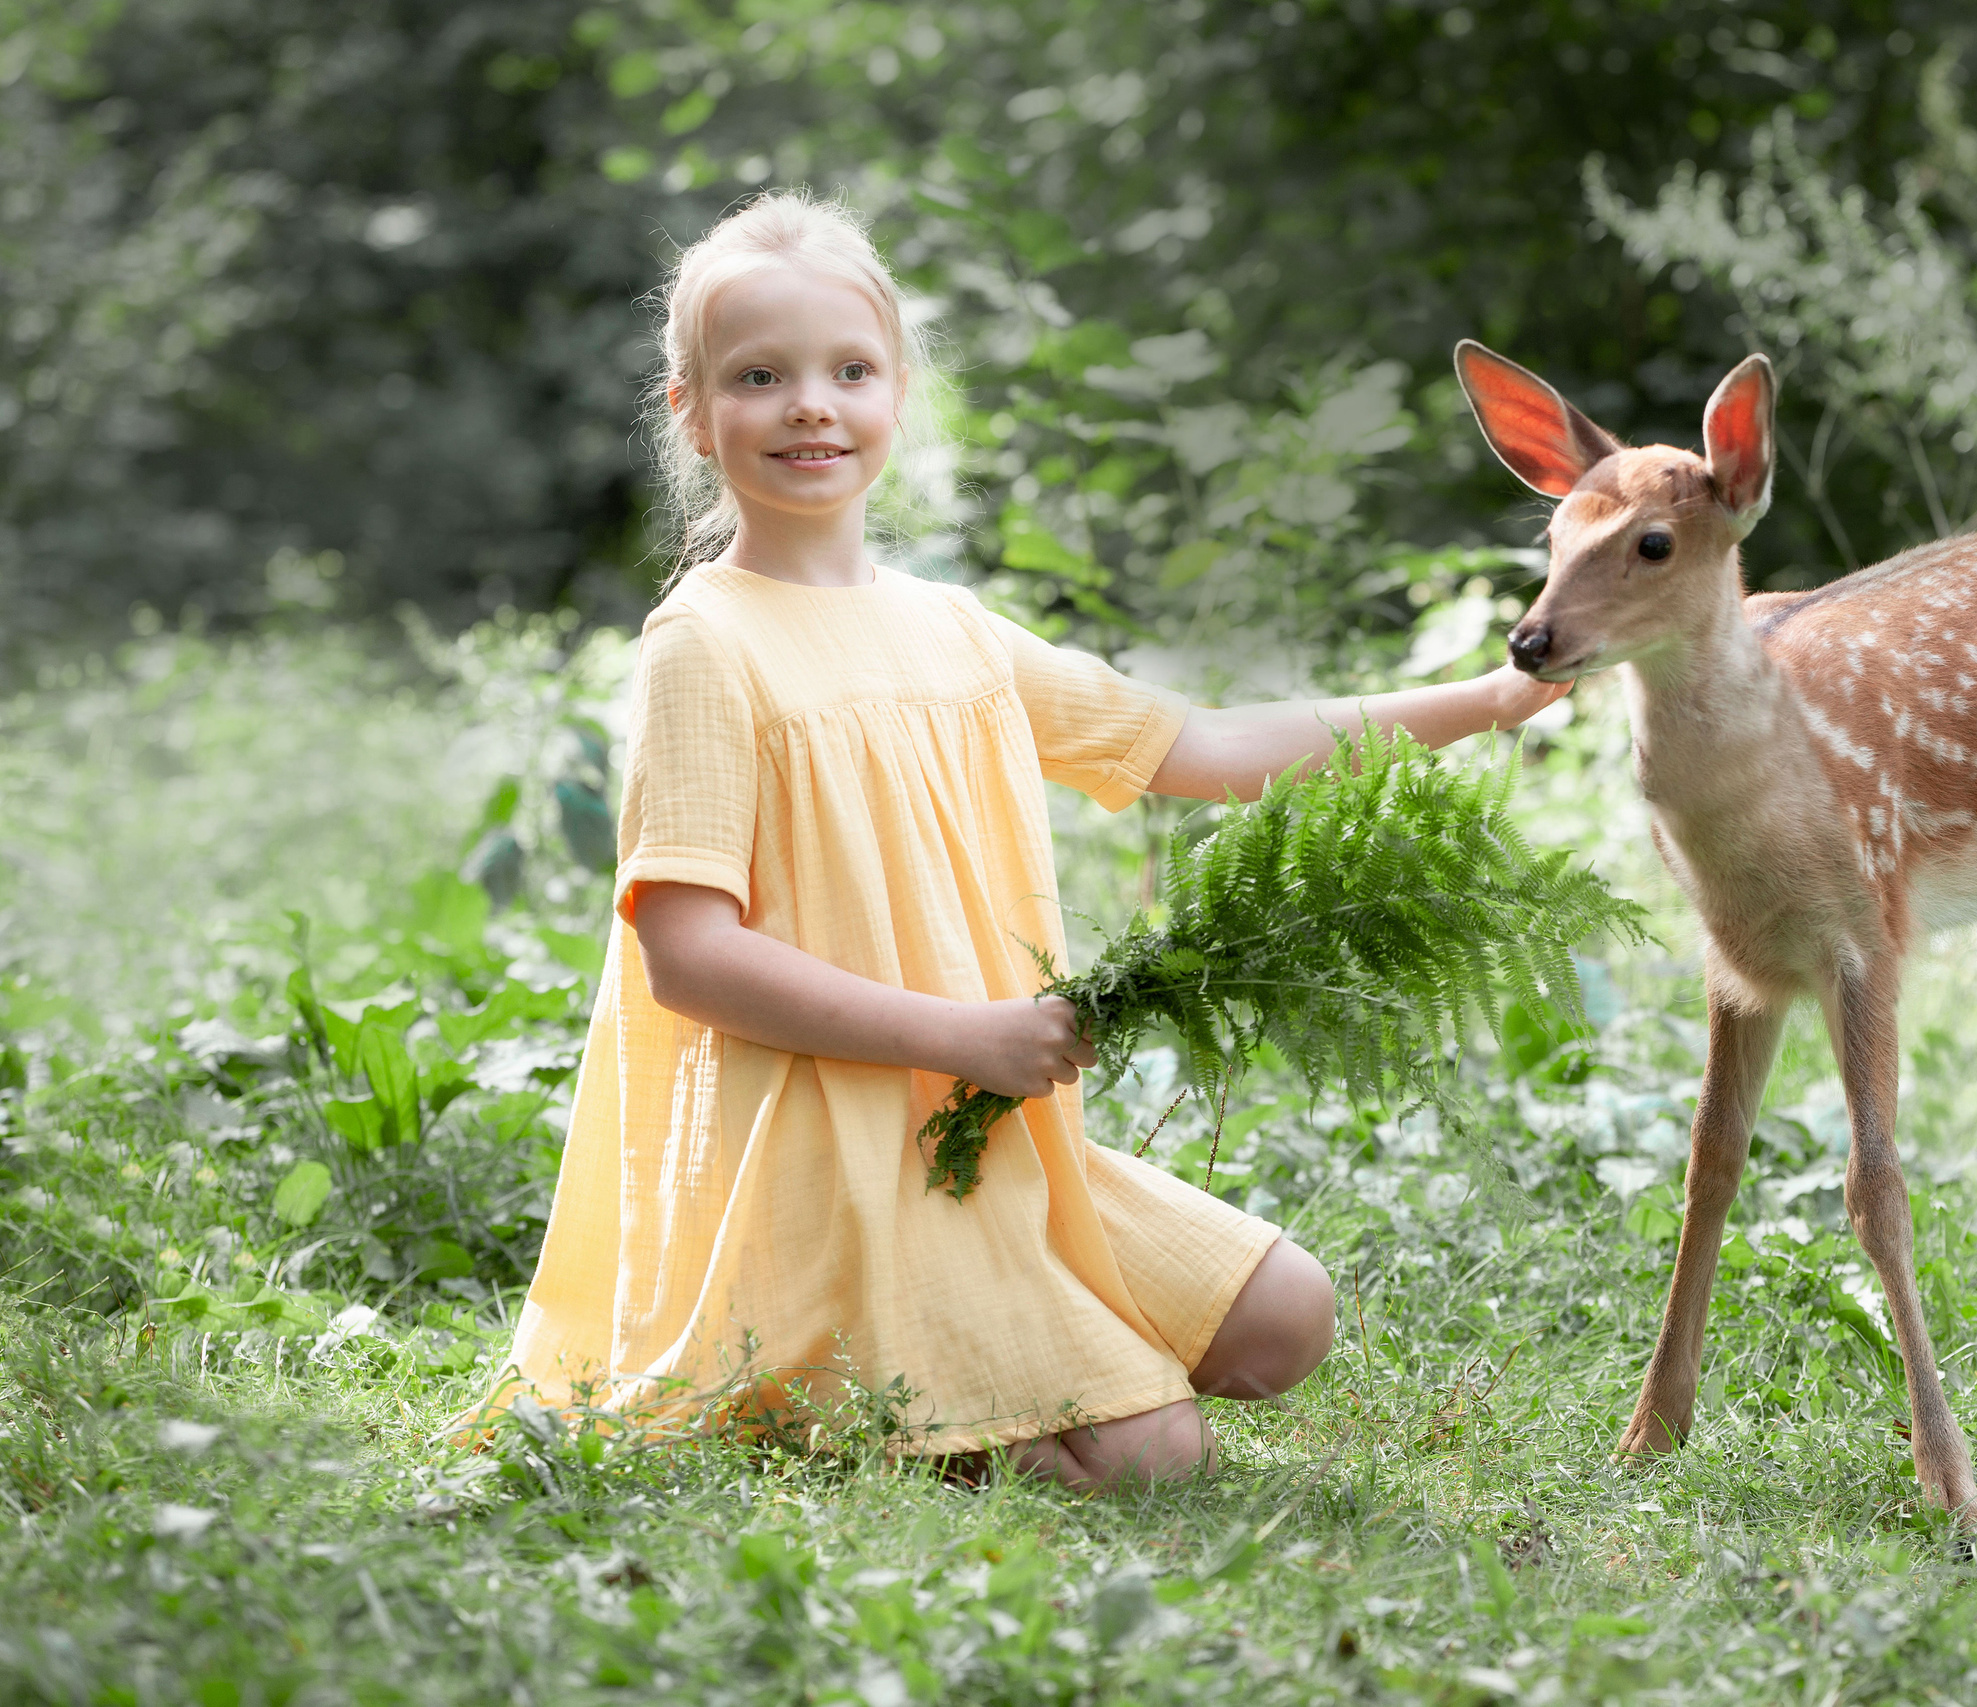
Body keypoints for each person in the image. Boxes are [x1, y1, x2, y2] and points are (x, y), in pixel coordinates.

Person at [498, 191, 1566, 1491]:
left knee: (1287, 1317)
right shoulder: (704, 644)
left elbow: (1204, 745)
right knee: (1154, 1458)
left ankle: (969, 1381)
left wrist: (1487, 699)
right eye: (759, 377)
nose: (810, 407)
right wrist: (960, 1036)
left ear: (900, 392)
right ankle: (813, 1389)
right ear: (691, 412)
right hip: (834, 1164)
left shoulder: (951, 629)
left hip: (986, 1137)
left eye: (849, 371)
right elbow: (690, 957)